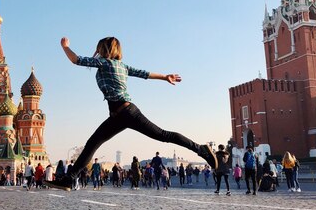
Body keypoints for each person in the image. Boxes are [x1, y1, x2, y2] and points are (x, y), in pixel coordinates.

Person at [60, 36, 218, 188]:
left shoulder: (104, 63)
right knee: (94, 143)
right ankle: (69, 179)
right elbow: (145, 74)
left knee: (162, 135)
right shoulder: (122, 66)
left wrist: (65, 46)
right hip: (120, 115)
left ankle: (201, 149)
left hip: (126, 112)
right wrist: (164, 77)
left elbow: (76, 59)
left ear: (103, 49)